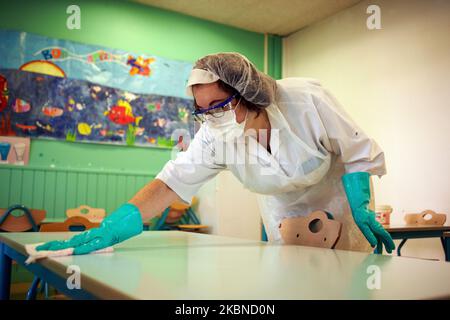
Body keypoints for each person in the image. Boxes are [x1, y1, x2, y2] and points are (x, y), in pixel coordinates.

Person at [37, 52, 395, 255]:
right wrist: (112, 227)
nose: (209, 117)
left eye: (217, 105)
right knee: (295, 283)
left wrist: (360, 204)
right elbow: (171, 182)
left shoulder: (306, 100)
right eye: (201, 109)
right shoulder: (214, 135)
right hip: (281, 208)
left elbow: (357, 150)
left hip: (340, 196)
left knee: (349, 279)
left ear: (247, 93)